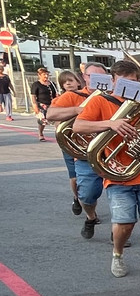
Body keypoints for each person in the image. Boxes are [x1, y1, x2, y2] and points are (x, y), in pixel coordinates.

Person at [74, 60, 140, 289]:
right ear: (114, 81)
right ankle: (117, 253)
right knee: (125, 224)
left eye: (135, 81)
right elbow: (78, 126)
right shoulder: (100, 101)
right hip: (118, 173)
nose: (131, 85)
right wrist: (110, 124)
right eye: (124, 81)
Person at [46, 62, 111, 239]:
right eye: (92, 76)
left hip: (112, 152)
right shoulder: (74, 96)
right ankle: (91, 216)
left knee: (120, 194)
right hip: (85, 153)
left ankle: (119, 230)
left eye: (102, 77)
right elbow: (50, 115)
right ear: (85, 78)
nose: (98, 81)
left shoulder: (114, 96)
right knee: (88, 195)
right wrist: (79, 110)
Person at [54, 70, 84, 214]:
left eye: (71, 80)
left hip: (86, 141)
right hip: (69, 142)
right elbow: (54, 118)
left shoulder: (88, 97)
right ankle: (76, 198)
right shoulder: (61, 99)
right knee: (74, 176)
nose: (68, 83)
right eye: (64, 82)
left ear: (78, 82)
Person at [31, 67, 57, 141]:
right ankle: (40, 133)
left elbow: (55, 94)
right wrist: (35, 106)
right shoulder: (36, 84)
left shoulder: (52, 84)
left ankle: (58, 134)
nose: (46, 76)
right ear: (39, 75)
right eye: (44, 74)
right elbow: (33, 97)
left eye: (47, 74)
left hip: (52, 104)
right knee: (43, 120)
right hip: (42, 105)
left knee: (56, 119)